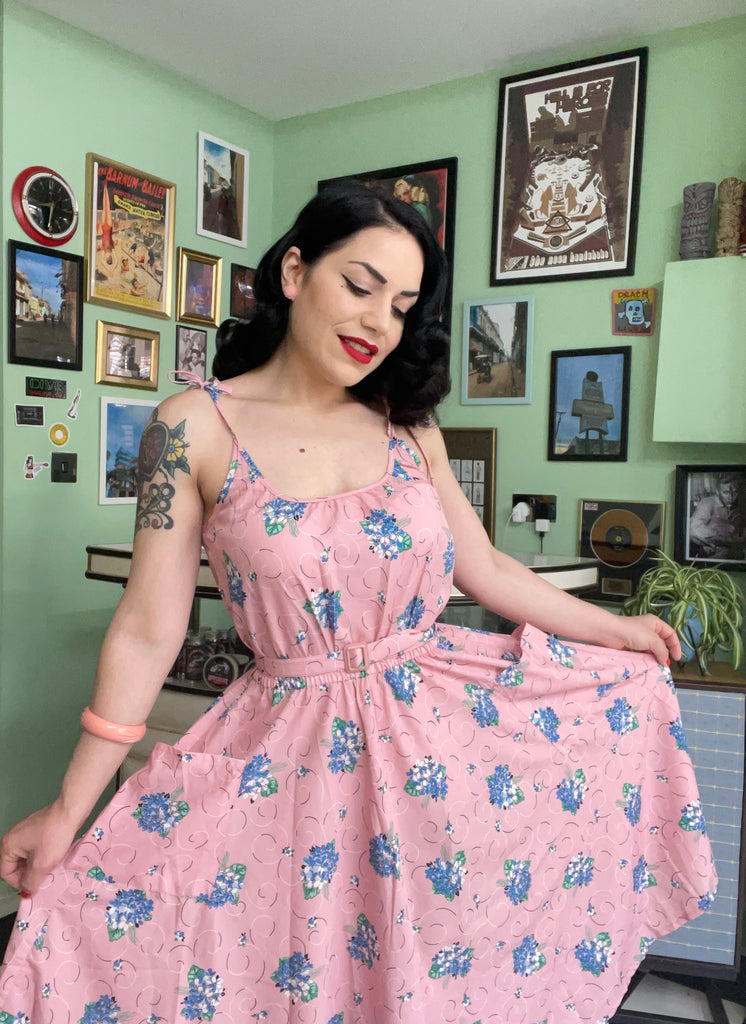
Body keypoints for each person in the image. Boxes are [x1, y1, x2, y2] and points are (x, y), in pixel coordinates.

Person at [0, 184, 715, 1023]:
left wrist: (617, 629)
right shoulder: (191, 428)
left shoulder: (408, 424)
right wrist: (68, 810)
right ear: (295, 272)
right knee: (287, 976)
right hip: (291, 764)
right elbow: (147, 631)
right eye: (361, 286)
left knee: (438, 971)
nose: (379, 322)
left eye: (402, 307)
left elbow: (486, 569)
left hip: (435, 747)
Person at [689, 471, 746, 560]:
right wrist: (720, 537)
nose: (731, 497)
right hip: (713, 556)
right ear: (717, 491)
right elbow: (693, 529)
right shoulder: (707, 503)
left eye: (735, 492)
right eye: (726, 492)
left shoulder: (738, 506)